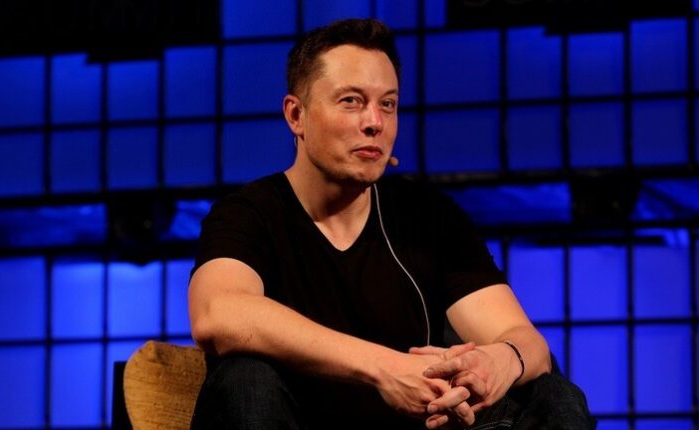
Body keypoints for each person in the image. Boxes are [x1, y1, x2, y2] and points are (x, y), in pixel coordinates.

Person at [188, 18, 593, 430]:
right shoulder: (249, 212)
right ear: (296, 115)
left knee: (554, 393)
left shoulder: (429, 216)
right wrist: (384, 367)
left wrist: (499, 360)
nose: (375, 122)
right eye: (351, 101)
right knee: (245, 381)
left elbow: (526, 341)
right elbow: (217, 313)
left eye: (388, 104)